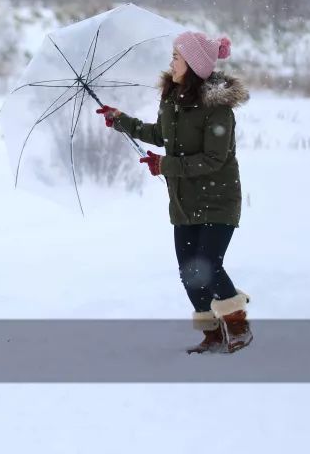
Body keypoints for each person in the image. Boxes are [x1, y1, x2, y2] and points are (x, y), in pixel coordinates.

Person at [96, 31, 251, 353]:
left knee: (208, 263)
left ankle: (238, 326)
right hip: (184, 200)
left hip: (218, 198)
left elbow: (214, 159)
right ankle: (212, 334)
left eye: (177, 57)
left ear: (193, 64)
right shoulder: (172, 99)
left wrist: (167, 166)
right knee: (190, 271)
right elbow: (160, 135)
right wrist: (122, 120)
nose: (172, 62)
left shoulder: (218, 110)